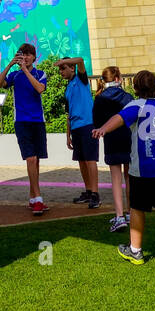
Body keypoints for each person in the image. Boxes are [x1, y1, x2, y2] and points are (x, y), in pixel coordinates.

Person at [93, 69, 155, 270]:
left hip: (143, 170)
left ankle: (135, 250)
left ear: (135, 87)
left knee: (137, 209)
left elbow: (118, 118)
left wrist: (102, 130)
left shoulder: (136, 106)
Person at [0, 42, 49, 215]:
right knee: (30, 159)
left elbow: (40, 88)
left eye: (28, 54)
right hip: (22, 122)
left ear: (33, 56)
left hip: (38, 121)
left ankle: (33, 198)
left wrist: (26, 70)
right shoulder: (14, 75)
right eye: (22, 54)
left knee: (36, 161)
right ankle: (38, 198)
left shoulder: (40, 73)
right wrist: (10, 65)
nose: (25, 57)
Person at [93, 67, 134, 233]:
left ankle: (119, 216)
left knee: (115, 178)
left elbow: (97, 123)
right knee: (129, 176)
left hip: (111, 139)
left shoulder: (100, 98)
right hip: (128, 138)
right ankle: (131, 212)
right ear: (117, 78)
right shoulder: (128, 97)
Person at [58, 56, 100, 208]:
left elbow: (81, 60)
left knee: (90, 160)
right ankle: (88, 191)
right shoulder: (68, 87)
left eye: (63, 68)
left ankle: (95, 194)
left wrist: (63, 61)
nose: (61, 71)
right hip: (75, 128)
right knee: (81, 161)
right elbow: (69, 113)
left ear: (72, 68)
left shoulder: (81, 80)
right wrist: (68, 135)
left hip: (88, 125)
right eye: (60, 69)